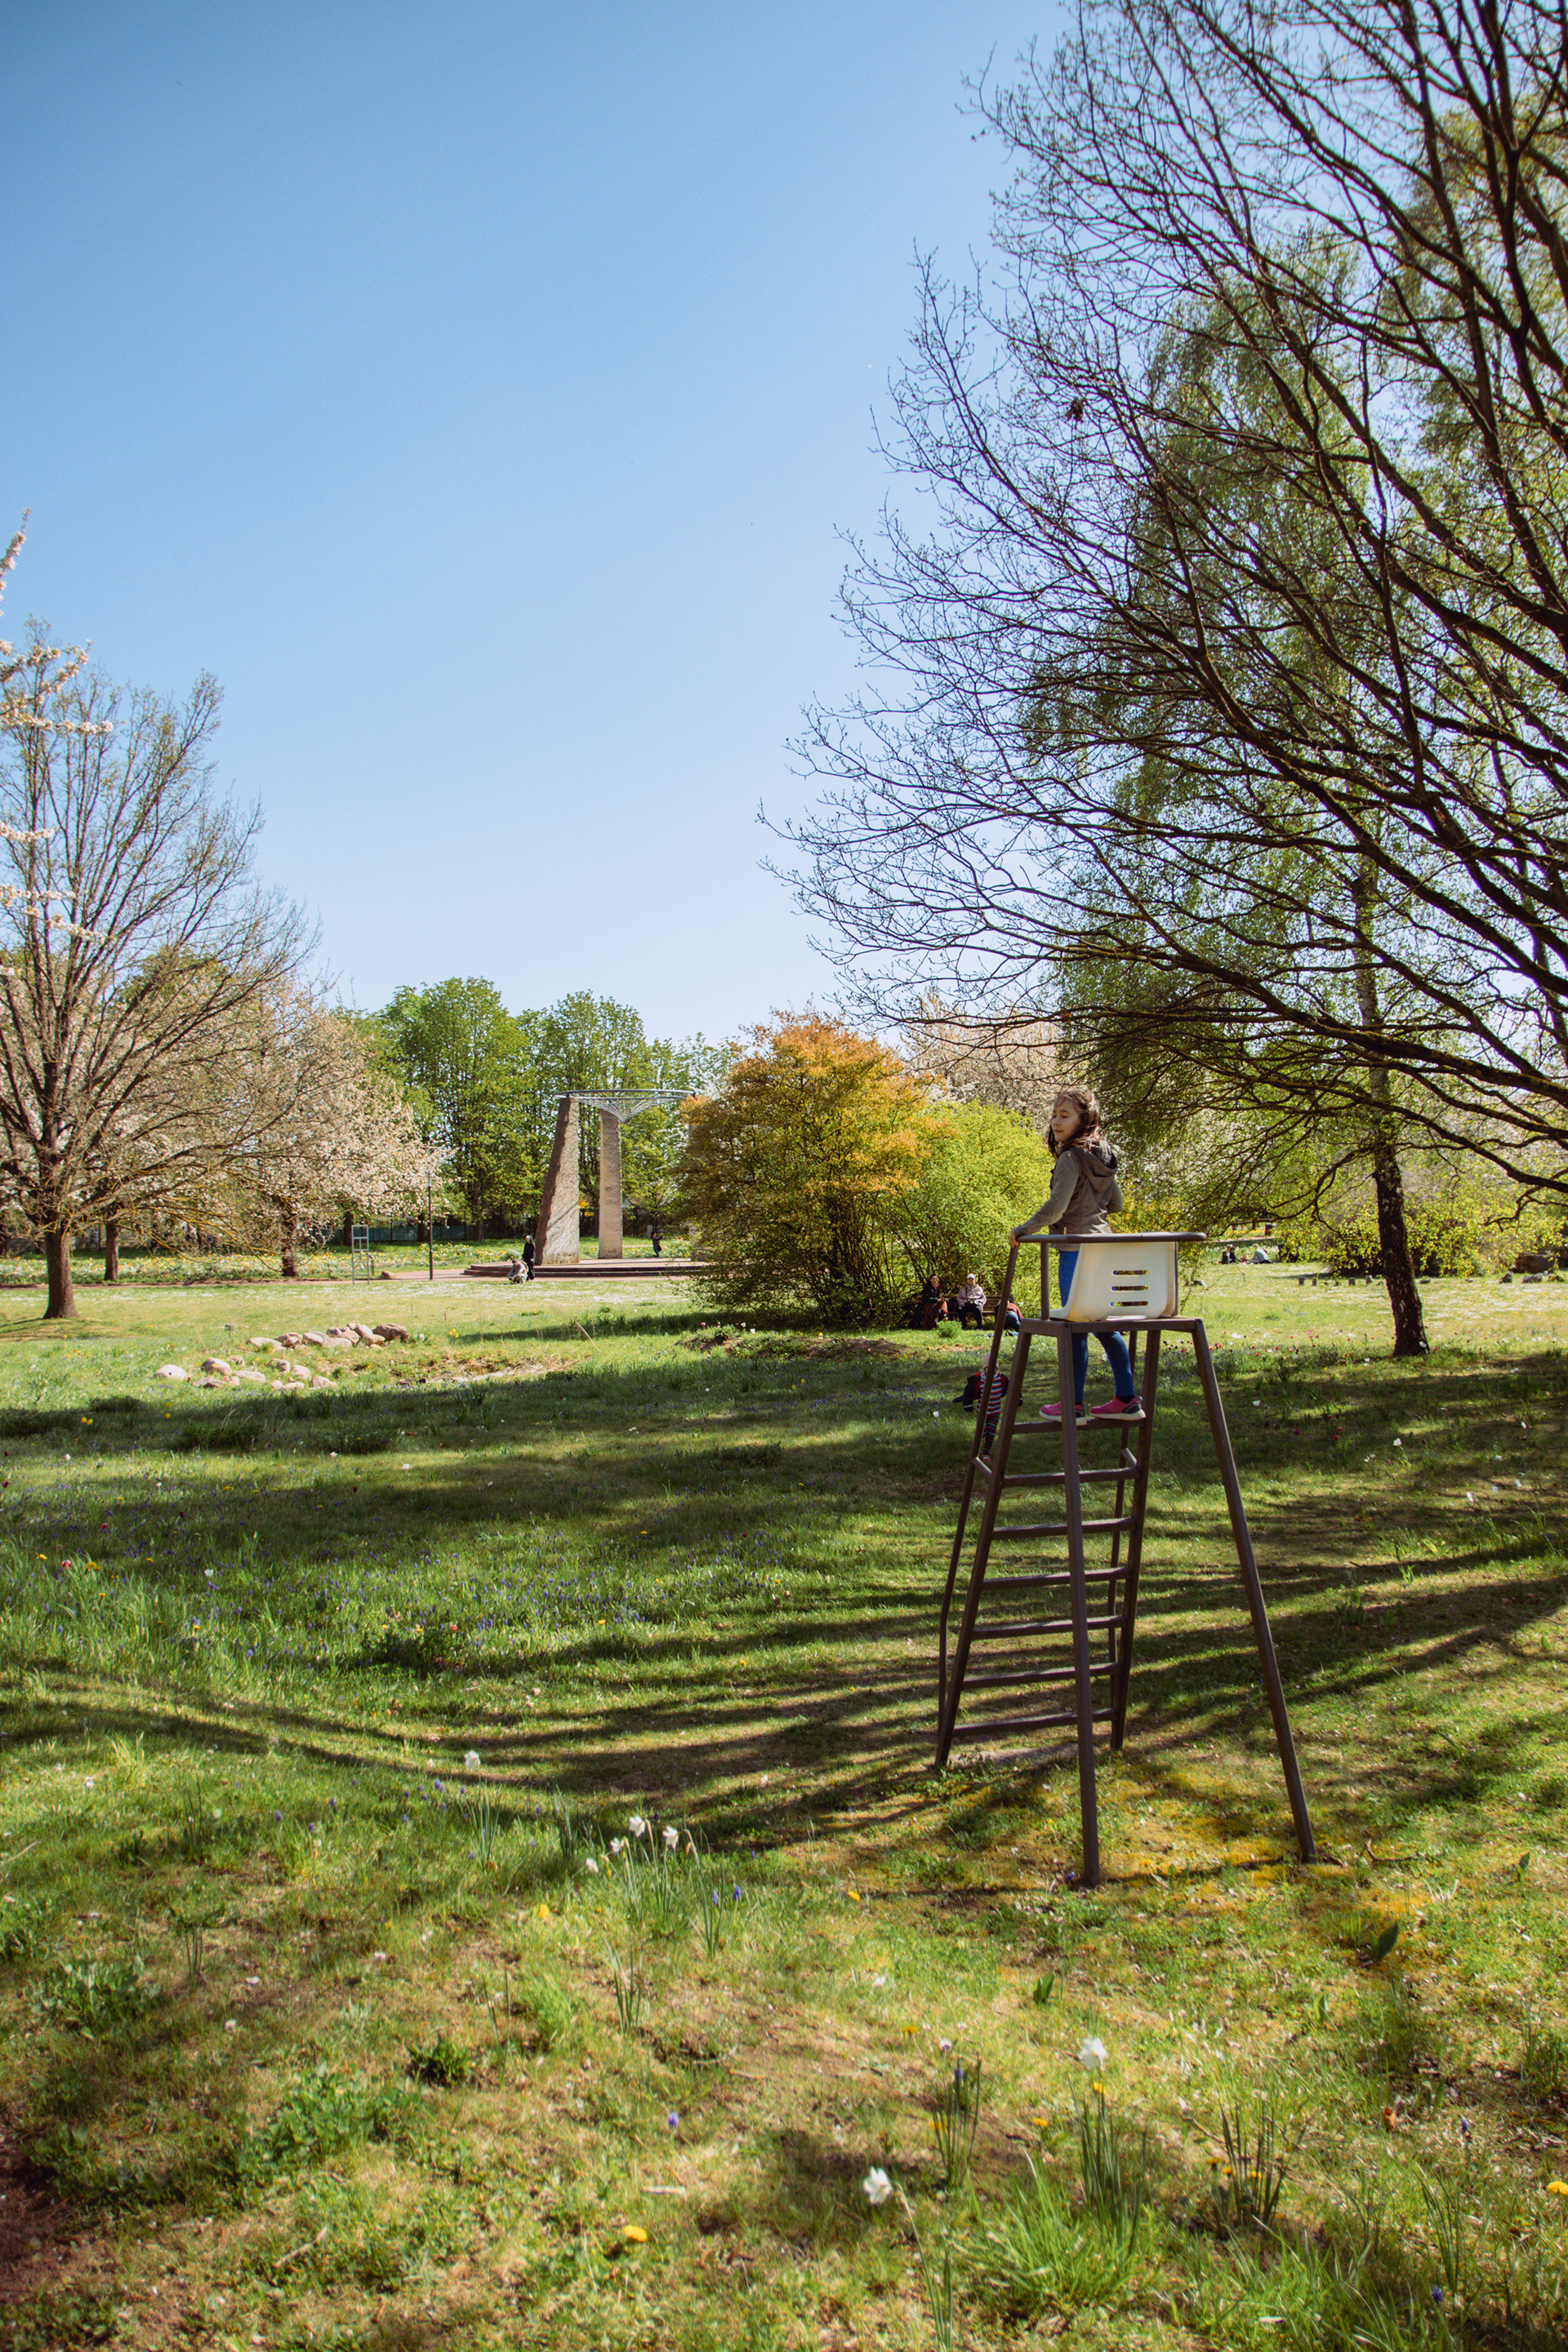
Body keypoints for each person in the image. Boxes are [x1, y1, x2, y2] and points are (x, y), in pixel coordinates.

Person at [1009, 1086, 1138, 1419]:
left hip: (1076, 1248)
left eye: (1065, 1115)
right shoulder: (1101, 1158)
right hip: (1103, 1249)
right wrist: (1091, 1205)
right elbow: (1116, 1204)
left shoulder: (1070, 1158)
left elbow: (1056, 1207)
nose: (1055, 1121)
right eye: (1054, 1114)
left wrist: (1023, 1229)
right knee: (1103, 1325)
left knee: (1073, 1324)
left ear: (1085, 1119)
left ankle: (1073, 1404)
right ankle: (1126, 1398)